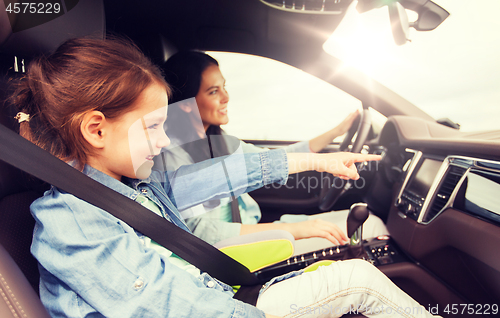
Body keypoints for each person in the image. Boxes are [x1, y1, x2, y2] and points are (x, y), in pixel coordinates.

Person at [13, 36, 437, 318]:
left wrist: (316, 161)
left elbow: (220, 175)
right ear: (96, 129)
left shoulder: (136, 185)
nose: (165, 141)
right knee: (357, 281)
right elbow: (160, 303)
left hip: (216, 298)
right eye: (154, 127)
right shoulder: (71, 220)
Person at [159, 51, 389, 253]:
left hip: (253, 233)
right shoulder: (173, 156)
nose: (226, 97)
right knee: (372, 227)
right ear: (187, 102)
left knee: (370, 224)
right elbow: (199, 232)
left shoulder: (218, 142)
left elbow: (272, 159)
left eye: (224, 87)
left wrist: (337, 132)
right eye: (213, 91)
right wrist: (292, 230)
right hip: (232, 252)